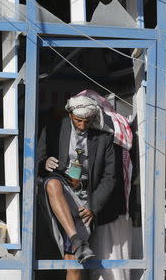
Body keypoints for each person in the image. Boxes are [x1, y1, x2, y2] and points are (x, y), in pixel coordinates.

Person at [37, 95, 123, 280]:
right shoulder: (53, 130)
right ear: (69, 114)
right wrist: (44, 163)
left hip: (84, 197)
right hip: (58, 192)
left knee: (74, 263)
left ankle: (76, 243)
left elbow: (110, 178)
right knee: (52, 183)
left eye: (87, 121)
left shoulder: (104, 139)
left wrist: (94, 207)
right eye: (78, 120)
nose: (82, 125)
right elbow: (33, 164)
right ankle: (76, 240)